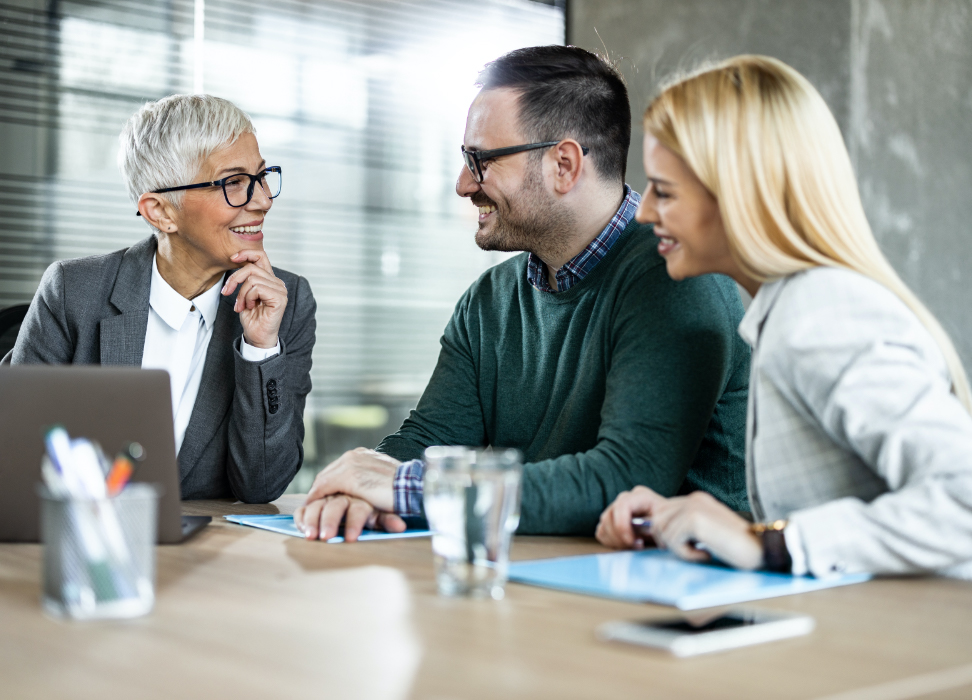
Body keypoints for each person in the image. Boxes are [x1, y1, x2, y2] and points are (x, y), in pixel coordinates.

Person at [294, 45, 751, 541]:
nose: (463, 184)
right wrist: (356, 489)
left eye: (481, 160)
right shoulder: (488, 300)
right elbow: (429, 441)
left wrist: (405, 486)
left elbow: (626, 479)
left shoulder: (677, 278)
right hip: (544, 584)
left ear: (564, 165)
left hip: (683, 600)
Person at [596, 55, 972, 579]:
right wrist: (700, 522)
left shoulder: (821, 315)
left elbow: (964, 495)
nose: (644, 211)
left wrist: (772, 545)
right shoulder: (789, 310)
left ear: (739, 195)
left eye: (665, 190)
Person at [5, 94, 316, 503]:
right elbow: (14, 455)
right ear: (160, 213)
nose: (263, 200)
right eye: (233, 183)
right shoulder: (73, 292)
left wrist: (261, 348)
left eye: (261, 177)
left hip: (210, 553)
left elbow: (261, 486)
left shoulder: (285, 302)